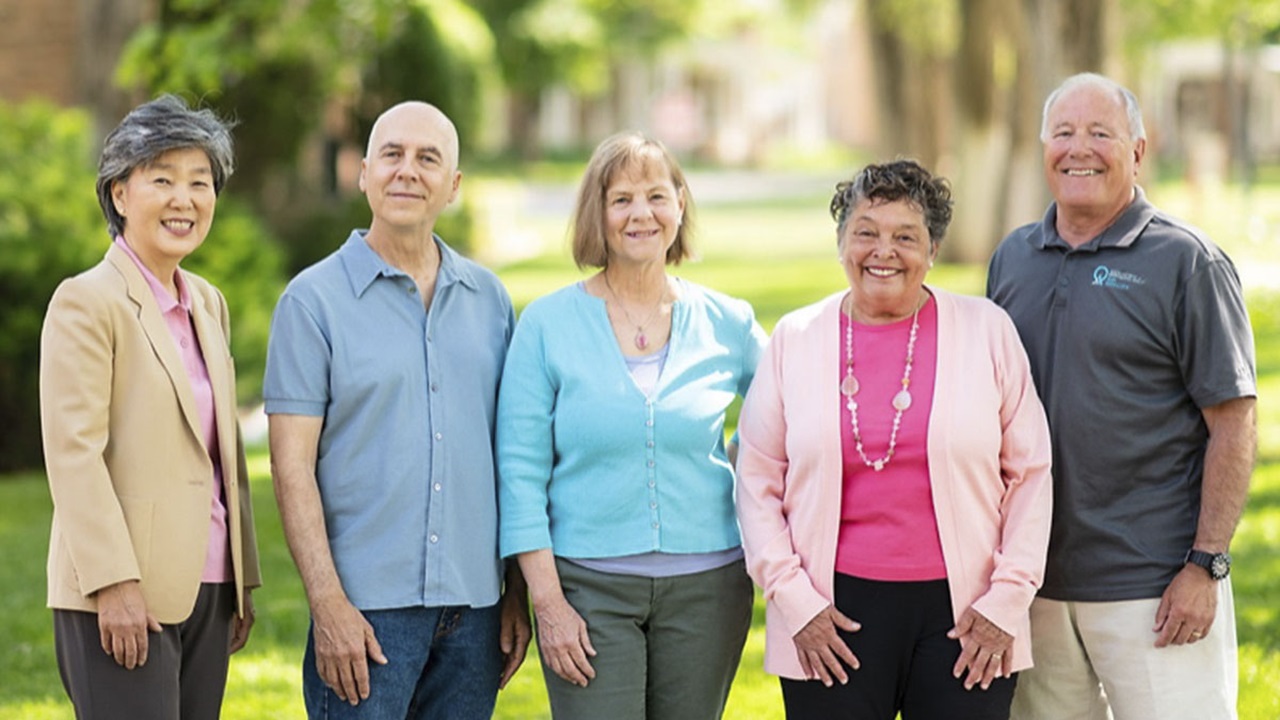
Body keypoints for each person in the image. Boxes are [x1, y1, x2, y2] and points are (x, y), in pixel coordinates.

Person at [735, 159, 1054, 720]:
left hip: (967, 615)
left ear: (932, 250)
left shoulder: (987, 330)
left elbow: (1030, 473)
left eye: (905, 237)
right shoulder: (795, 338)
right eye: (866, 233)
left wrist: (1007, 599)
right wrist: (794, 602)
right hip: (828, 616)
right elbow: (757, 479)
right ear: (841, 244)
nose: (883, 251)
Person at [987, 72, 1257, 719]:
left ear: (1137, 151)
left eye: (1100, 133)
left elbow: (1234, 421)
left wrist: (1206, 566)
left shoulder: (1188, 262)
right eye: (1064, 133)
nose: (1080, 148)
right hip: (1036, 588)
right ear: (1043, 148)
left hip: (1156, 589)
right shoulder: (1013, 258)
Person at [263, 101, 530, 719]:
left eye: (428, 158)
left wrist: (515, 590)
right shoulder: (312, 303)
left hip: (476, 615)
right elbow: (291, 467)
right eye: (392, 154)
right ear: (363, 173)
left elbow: (512, 455)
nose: (407, 171)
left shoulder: (490, 301)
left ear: (454, 186)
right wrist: (327, 602)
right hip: (364, 614)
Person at [497, 131, 766, 719]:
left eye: (656, 196)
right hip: (587, 590)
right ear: (597, 213)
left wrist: (742, 466)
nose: (640, 213)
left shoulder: (729, 321)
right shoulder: (545, 325)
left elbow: (788, 418)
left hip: (709, 587)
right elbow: (518, 475)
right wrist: (548, 602)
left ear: (680, 206)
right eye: (621, 199)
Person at [39, 94, 261, 720]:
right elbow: (73, 454)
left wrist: (240, 576)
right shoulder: (87, 302)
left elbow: (220, 454)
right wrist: (114, 582)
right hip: (120, 591)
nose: (183, 199)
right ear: (118, 194)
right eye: (161, 180)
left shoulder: (207, 304)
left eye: (199, 182)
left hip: (209, 587)